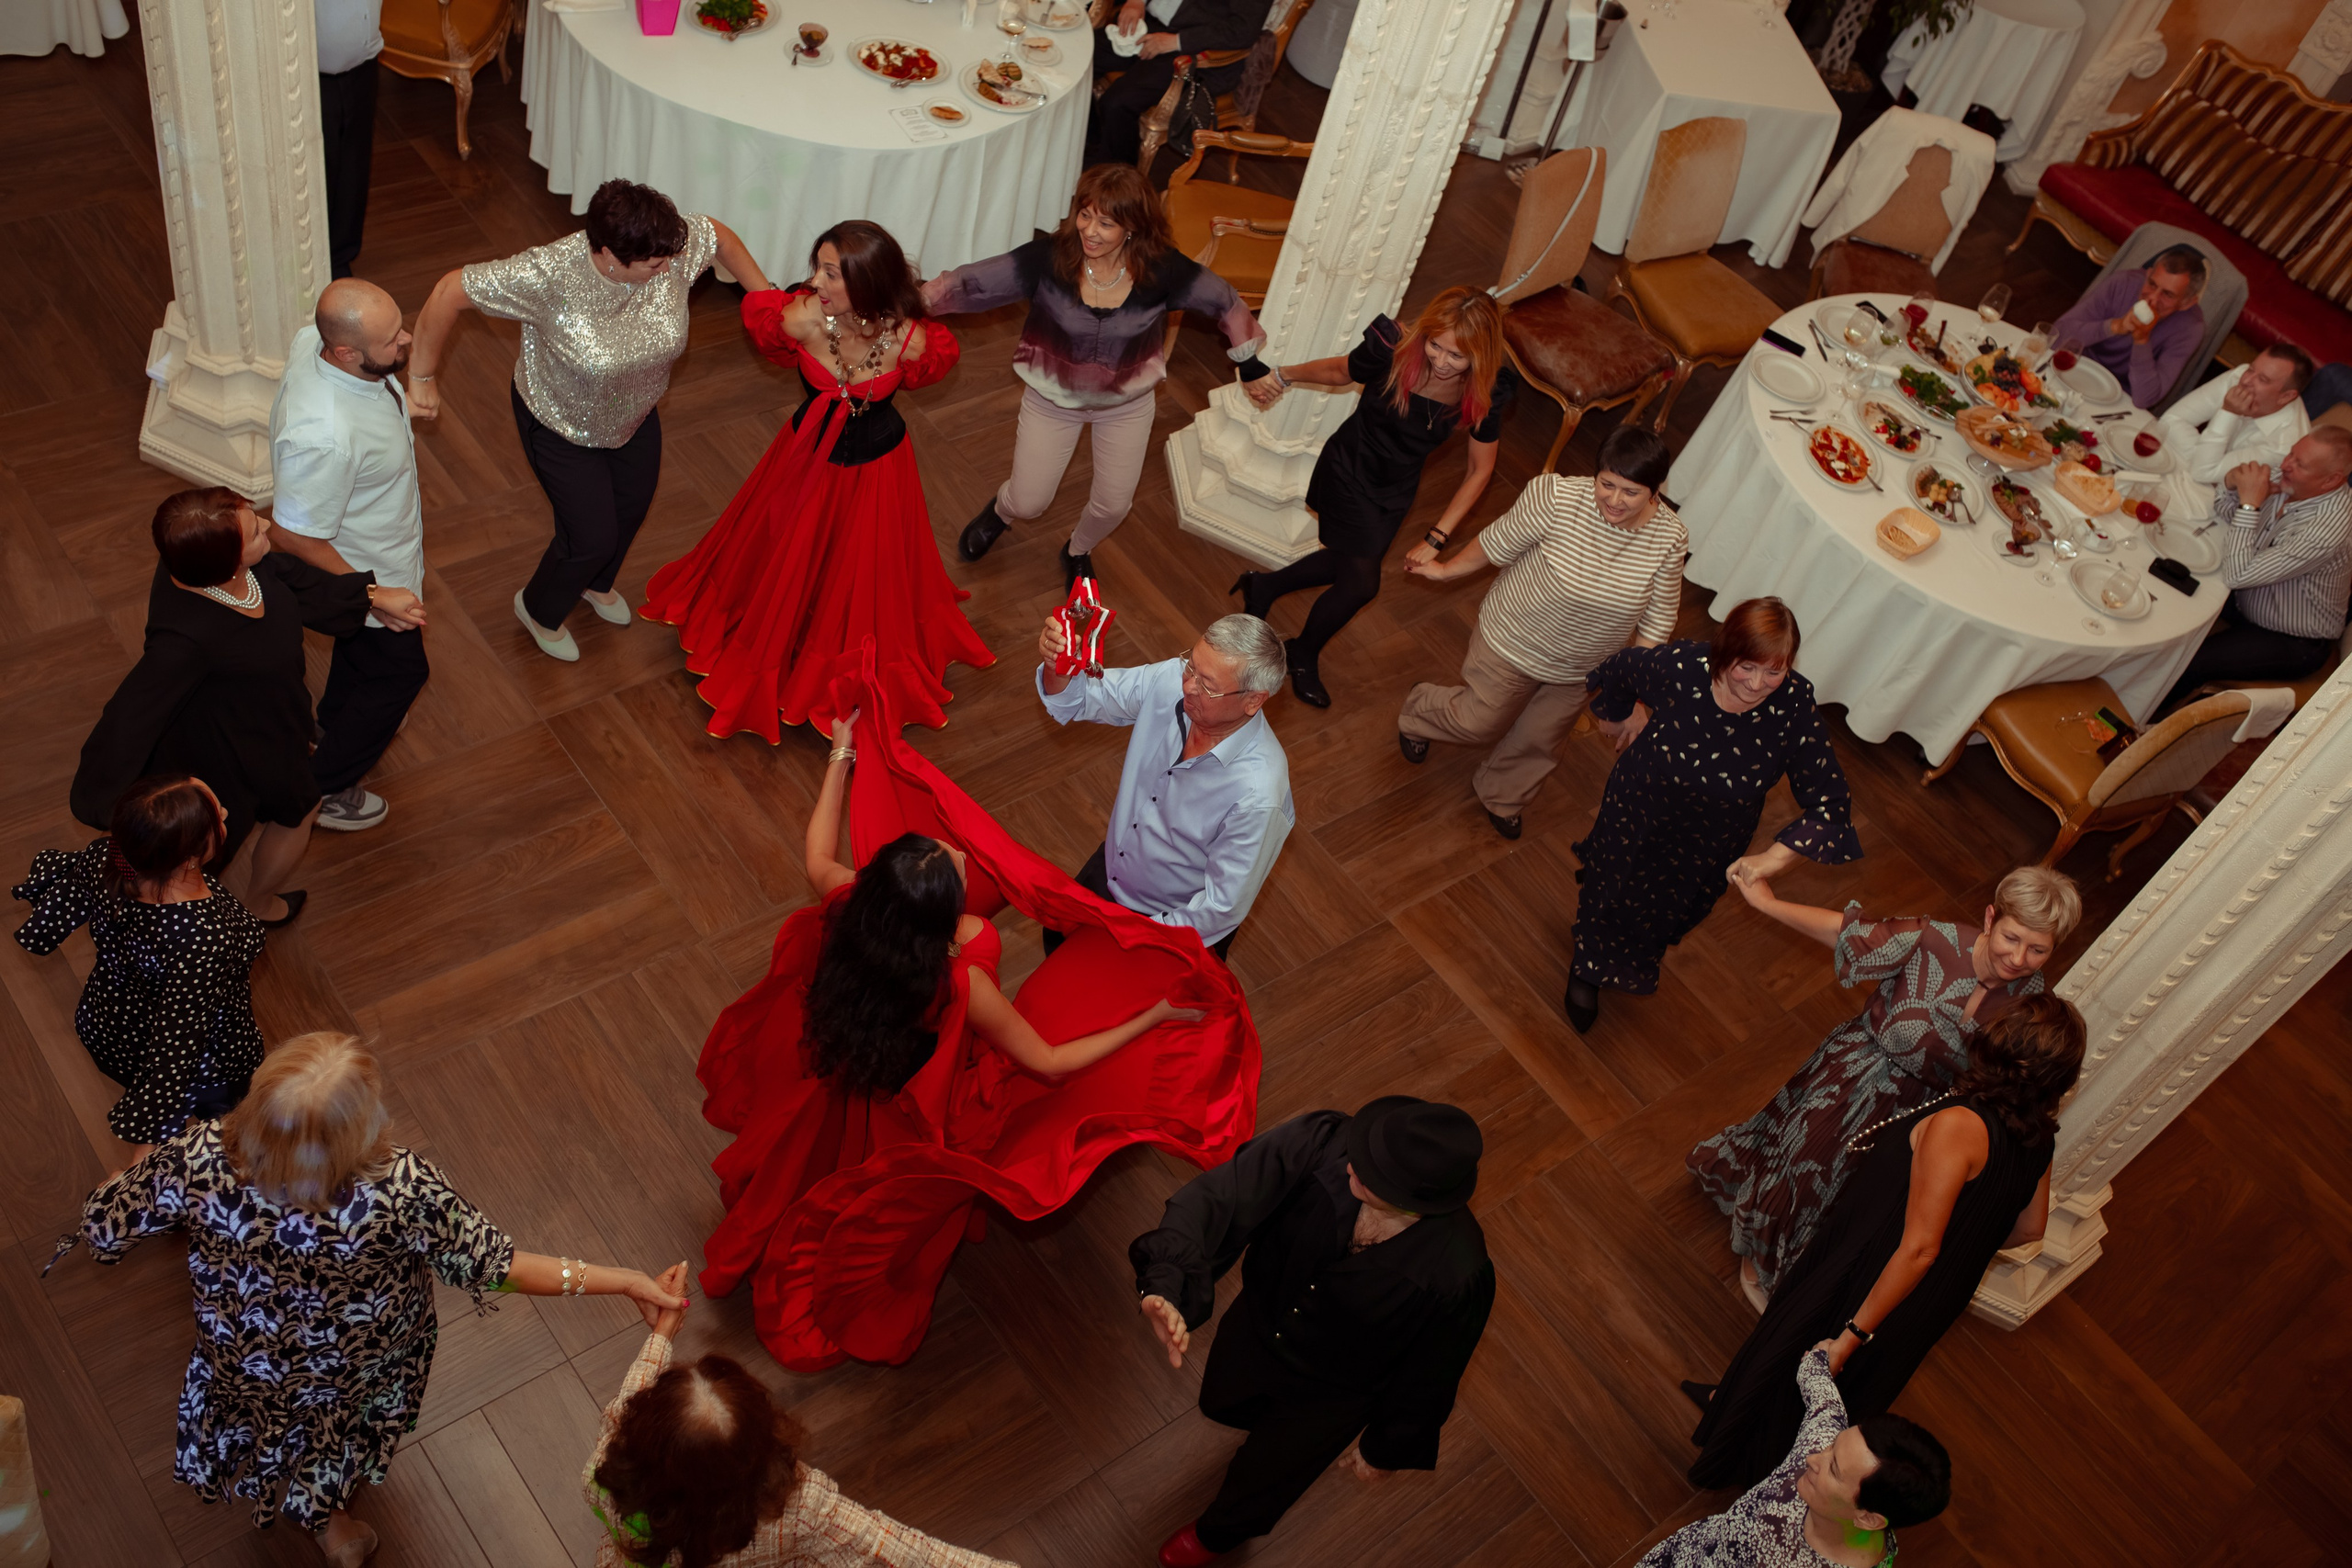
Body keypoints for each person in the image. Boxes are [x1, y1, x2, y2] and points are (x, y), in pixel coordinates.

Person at [697, 661, 1260, 1373]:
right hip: (908, 1101)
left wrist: (844, 750)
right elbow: (1051, 1063)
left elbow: (817, 853)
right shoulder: (961, 978)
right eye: (953, 864)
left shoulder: (853, 904)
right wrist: (1150, 1016)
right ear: (938, 918)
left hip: (847, 1060)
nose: (960, 852)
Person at [46, 1032, 685, 1568]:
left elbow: (106, 1219)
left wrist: (137, 1179)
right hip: (360, 1370)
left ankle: (304, 1501)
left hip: (247, 1358)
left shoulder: (201, 1155)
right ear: (359, 1129)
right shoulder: (402, 1188)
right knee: (336, 1437)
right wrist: (623, 1278)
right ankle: (330, 1517)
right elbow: (502, 1268)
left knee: (274, 1420)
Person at [1683, 995, 2086, 1491]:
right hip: (1929, 1294)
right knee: (1841, 1388)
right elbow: (2030, 1228)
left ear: (1998, 1046)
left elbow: (1919, 1248)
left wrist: (1851, 1335)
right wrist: (1964, 1238)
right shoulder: (2040, 1138)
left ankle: (1747, 1470)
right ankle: (1733, 1413)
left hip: (1871, 1273)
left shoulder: (1963, 1124)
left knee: (1805, 1360)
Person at [642, 221, 991, 739]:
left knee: (863, 570)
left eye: (830, 274)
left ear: (868, 283)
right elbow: (763, 316)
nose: (815, 282)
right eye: (818, 269)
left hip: (879, 473)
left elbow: (936, 363)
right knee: (785, 551)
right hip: (804, 461)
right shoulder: (802, 318)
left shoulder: (912, 341)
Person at [405, 180, 773, 659]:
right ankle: (538, 608)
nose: (669, 269)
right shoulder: (547, 274)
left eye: (669, 258)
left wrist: (765, 299)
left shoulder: (668, 248)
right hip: (559, 421)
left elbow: (718, 235)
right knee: (590, 536)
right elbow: (448, 290)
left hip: (635, 412)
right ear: (608, 254)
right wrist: (422, 376)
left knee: (630, 509)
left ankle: (595, 584)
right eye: (654, 264)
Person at [1690, 864, 2081, 1306]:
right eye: (2012, 938)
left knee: (1851, 1194)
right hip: (1856, 1071)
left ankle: (1803, 1267)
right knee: (1804, 1163)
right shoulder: (1932, 938)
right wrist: (1768, 903)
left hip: (1923, 1112)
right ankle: (1760, 1262)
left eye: (2037, 950)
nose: (2018, 959)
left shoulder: (2031, 1001)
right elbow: (1846, 934)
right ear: (1991, 918)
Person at [1131, 1097, 1495, 1566]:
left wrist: (1385, 1447)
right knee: (1225, 1397)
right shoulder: (1325, 1140)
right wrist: (1163, 1280)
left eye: (1373, 1174)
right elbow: (1223, 1195)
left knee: (1269, 1477)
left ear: (1416, 1201)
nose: (1353, 1165)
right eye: (1363, 1153)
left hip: (1332, 1395)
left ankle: (1217, 1535)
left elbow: (1430, 1376)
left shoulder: (1459, 1275)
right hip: (1258, 1326)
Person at [70, 489, 421, 927]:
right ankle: (254, 905)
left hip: (270, 717)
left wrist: (370, 596)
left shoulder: (228, 565)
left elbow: (291, 580)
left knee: (280, 813)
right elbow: (127, 721)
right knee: (299, 810)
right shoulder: (183, 644)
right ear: (225, 560)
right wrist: (113, 812)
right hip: (236, 742)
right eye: (255, 531)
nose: (268, 527)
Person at [925, 164, 1277, 592]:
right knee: (1030, 501)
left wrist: (1250, 362)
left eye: (1106, 223)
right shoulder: (1049, 259)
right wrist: (909, 301)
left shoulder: (1162, 270)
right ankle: (1001, 512)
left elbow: (1224, 300)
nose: (1089, 231)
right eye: (1085, 215)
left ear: (1132, 226)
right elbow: (972, 284)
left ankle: (1077, 550)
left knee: (1113, 505)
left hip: (1125, 407)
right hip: (1051, 401)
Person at [1563, 598, 1860, 1034]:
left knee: (1667, 906)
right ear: (1725, 651)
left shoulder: (1793, 705)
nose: (1758, 684)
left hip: (1709, 839)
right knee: (1615, 884)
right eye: (1747, 667)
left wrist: (1772, 860)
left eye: (1774, 671)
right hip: (1639, 809)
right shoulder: (1685, 667)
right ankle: (1587, 967)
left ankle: (1625, 951)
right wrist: (1623, 713)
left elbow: (1831, 804)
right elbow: (1622, 667)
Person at [584, 1275, 1021, 1568]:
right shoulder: (798, 1512)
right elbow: (904, 1552)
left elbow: (627, 1399)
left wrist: (661, 1335)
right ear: (760, 1441)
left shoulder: (603, 1473)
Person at [1396, 425, 1688, 839]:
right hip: (1513, 639)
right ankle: (1419, 708)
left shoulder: (1670, 537)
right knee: (1479, 721)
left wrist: (1638, 690)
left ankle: (1502, 795)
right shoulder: (1555, 496)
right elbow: (1496, 543)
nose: (1615, 500)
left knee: (1540, 739)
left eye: (1631, 492)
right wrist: (1445, 571)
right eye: (1607, 484)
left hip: (1584, 664)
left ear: (1655, 491)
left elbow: (1658, 619)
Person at [1233, 287, 1518, 708]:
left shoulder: (1487, 390)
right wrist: (1280, 375)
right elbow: (1338, 373)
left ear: (1480, 354)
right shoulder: (1393, 349)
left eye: (1456, 356)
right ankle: (1302, 650)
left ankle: (1264, 586)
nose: (1440, 361)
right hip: (1349, 468)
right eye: (1435, 345)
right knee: (1361, 583)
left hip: (1396, 488)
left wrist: (1437, 537)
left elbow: (1480, 470)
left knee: (1347, 560)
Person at [14, 775, 263, 1157]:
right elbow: (175, 1051)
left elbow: (56, 913)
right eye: (217, 817)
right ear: (189, 857)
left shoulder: (111, 856)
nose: (226, 811)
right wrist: (143, 1158)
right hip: (200, 1059)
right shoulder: (202, 937)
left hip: (111, 1023)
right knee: (233, 1124)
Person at [268, 277, 431, 833]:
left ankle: (329, 726)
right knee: (400, 676)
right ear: (344, 352)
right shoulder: (325, 436)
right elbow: (293, 535)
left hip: (384, 558)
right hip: (369, 574)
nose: (405, 341)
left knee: (360, 660)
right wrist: (371, 594)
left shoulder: (310, 343)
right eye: (391, 341)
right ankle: (322, 791)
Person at [1035, 612, 1293, 961]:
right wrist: (1059, 668)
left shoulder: (1258, 795)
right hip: (1111, 866)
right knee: (1056, 942)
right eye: (1191, 667)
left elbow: (1219, 908)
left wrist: (1135, 937)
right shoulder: (1173, 679)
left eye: (1208, 686)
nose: (1187, 685)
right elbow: (1079, 699)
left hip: (1168, 926)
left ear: (1254, 701)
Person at [1641, 1347, 1951, 1567]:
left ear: (1868, 1518)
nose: (1813, 1457)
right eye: (1834, 1445)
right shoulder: (1820, 1444)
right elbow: (1815, 1374)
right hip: (1687, 1554)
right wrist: (1831, 1349)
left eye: (1833, 1468)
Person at [2158, 425, 2352, 712]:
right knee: (2166, 575)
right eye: (2291, 454)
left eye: (2299, 464)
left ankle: (2132, 731)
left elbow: (2237, 575)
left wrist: (2250, 505)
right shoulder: (2289, 476)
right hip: (2247, 596)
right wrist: (2231, 481)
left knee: (2190, 661)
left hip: (2292, 638)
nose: (2285, 465)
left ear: (2330, 481)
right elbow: (2226, 511)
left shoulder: (2328, 531)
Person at [1086, 0, 1268, 169]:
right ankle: (1086, 144)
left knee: (1118, 102)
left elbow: (1243, 29)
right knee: (1079, 58)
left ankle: (1116, 180)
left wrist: (1176, 41)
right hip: (1149, 24)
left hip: (1192, 48)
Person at [2049, 243, 2209, 411]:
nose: (2152, 299)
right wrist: (2114, 327)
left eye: (2167, 294)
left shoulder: (2191, 328)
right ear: (2147, 274)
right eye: (2152, 284)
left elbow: (2145, 398)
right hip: (2074, 368)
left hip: (2120, 401)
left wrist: (2142, 340)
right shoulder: (2123, 282)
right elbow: (2055, 336)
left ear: (2187, 303)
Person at [2154, 344, 2314, 484]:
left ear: (2286, 396)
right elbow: (2170, 420)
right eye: (2251, 369)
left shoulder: (2284, 446)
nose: (2246, 380)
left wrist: (2229, 412)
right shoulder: (2240, 376)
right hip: (2195, 474)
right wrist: (2201, 457)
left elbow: (2203, 473)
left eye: (2263, 380)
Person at [315, 0, 382, 279]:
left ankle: (340, 259)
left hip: (364, 64)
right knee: (320, 167)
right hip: (311, 74)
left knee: (354, 167)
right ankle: (314, 259)